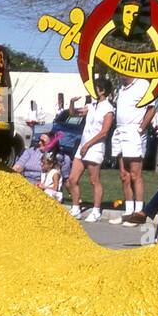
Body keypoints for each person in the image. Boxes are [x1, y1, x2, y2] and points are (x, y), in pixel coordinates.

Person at [108, 76, 156, 224]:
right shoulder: (121, 88)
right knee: (124, 175)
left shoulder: (142, 84)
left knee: (136, 174)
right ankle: (128, 213)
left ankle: (138, 214)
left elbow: (152, 108)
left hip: (134, 131)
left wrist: (141, 129)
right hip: (120, 131)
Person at [67, 79, 115, 222]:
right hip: (83, 147)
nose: (94, 90)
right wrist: (71, 103)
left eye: (96, 88)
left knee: (94, 180)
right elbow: (73, 113)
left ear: (103, 91)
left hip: (95, 148)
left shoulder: (108, 109)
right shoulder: (91, 105)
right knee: (72, 179)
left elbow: (104, 132)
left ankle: (96, 211)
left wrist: (88, 144)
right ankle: (76, 208)